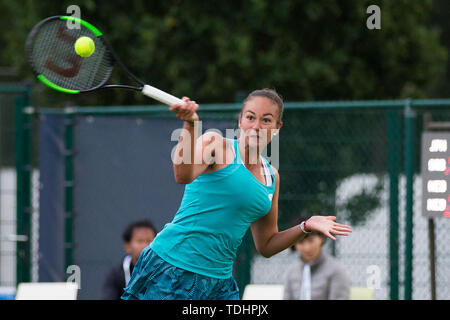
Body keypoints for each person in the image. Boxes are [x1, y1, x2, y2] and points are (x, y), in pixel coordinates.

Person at [121, 88, 352, 300]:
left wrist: (306, 226)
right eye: (250, 117)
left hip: (219, 284)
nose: (256, 126)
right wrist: (190, 125)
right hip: (173, 268)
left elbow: (267, 244)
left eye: (266, 120)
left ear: (277, 127)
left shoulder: (272, 177)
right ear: (240, 120)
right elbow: (183, 174)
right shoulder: (215, 145)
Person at [283, 219, 351, 300]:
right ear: (294, 244)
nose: (307, 248)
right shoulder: (291, 272)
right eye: (301, 242)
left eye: (311, 241)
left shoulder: (336, 270)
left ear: (321, 238)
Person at [101, 220, 157, 300]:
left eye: (149, 240)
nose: (145, 245)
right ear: (127, 246)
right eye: (140, 241)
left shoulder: (165, 271)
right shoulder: (117, 274)